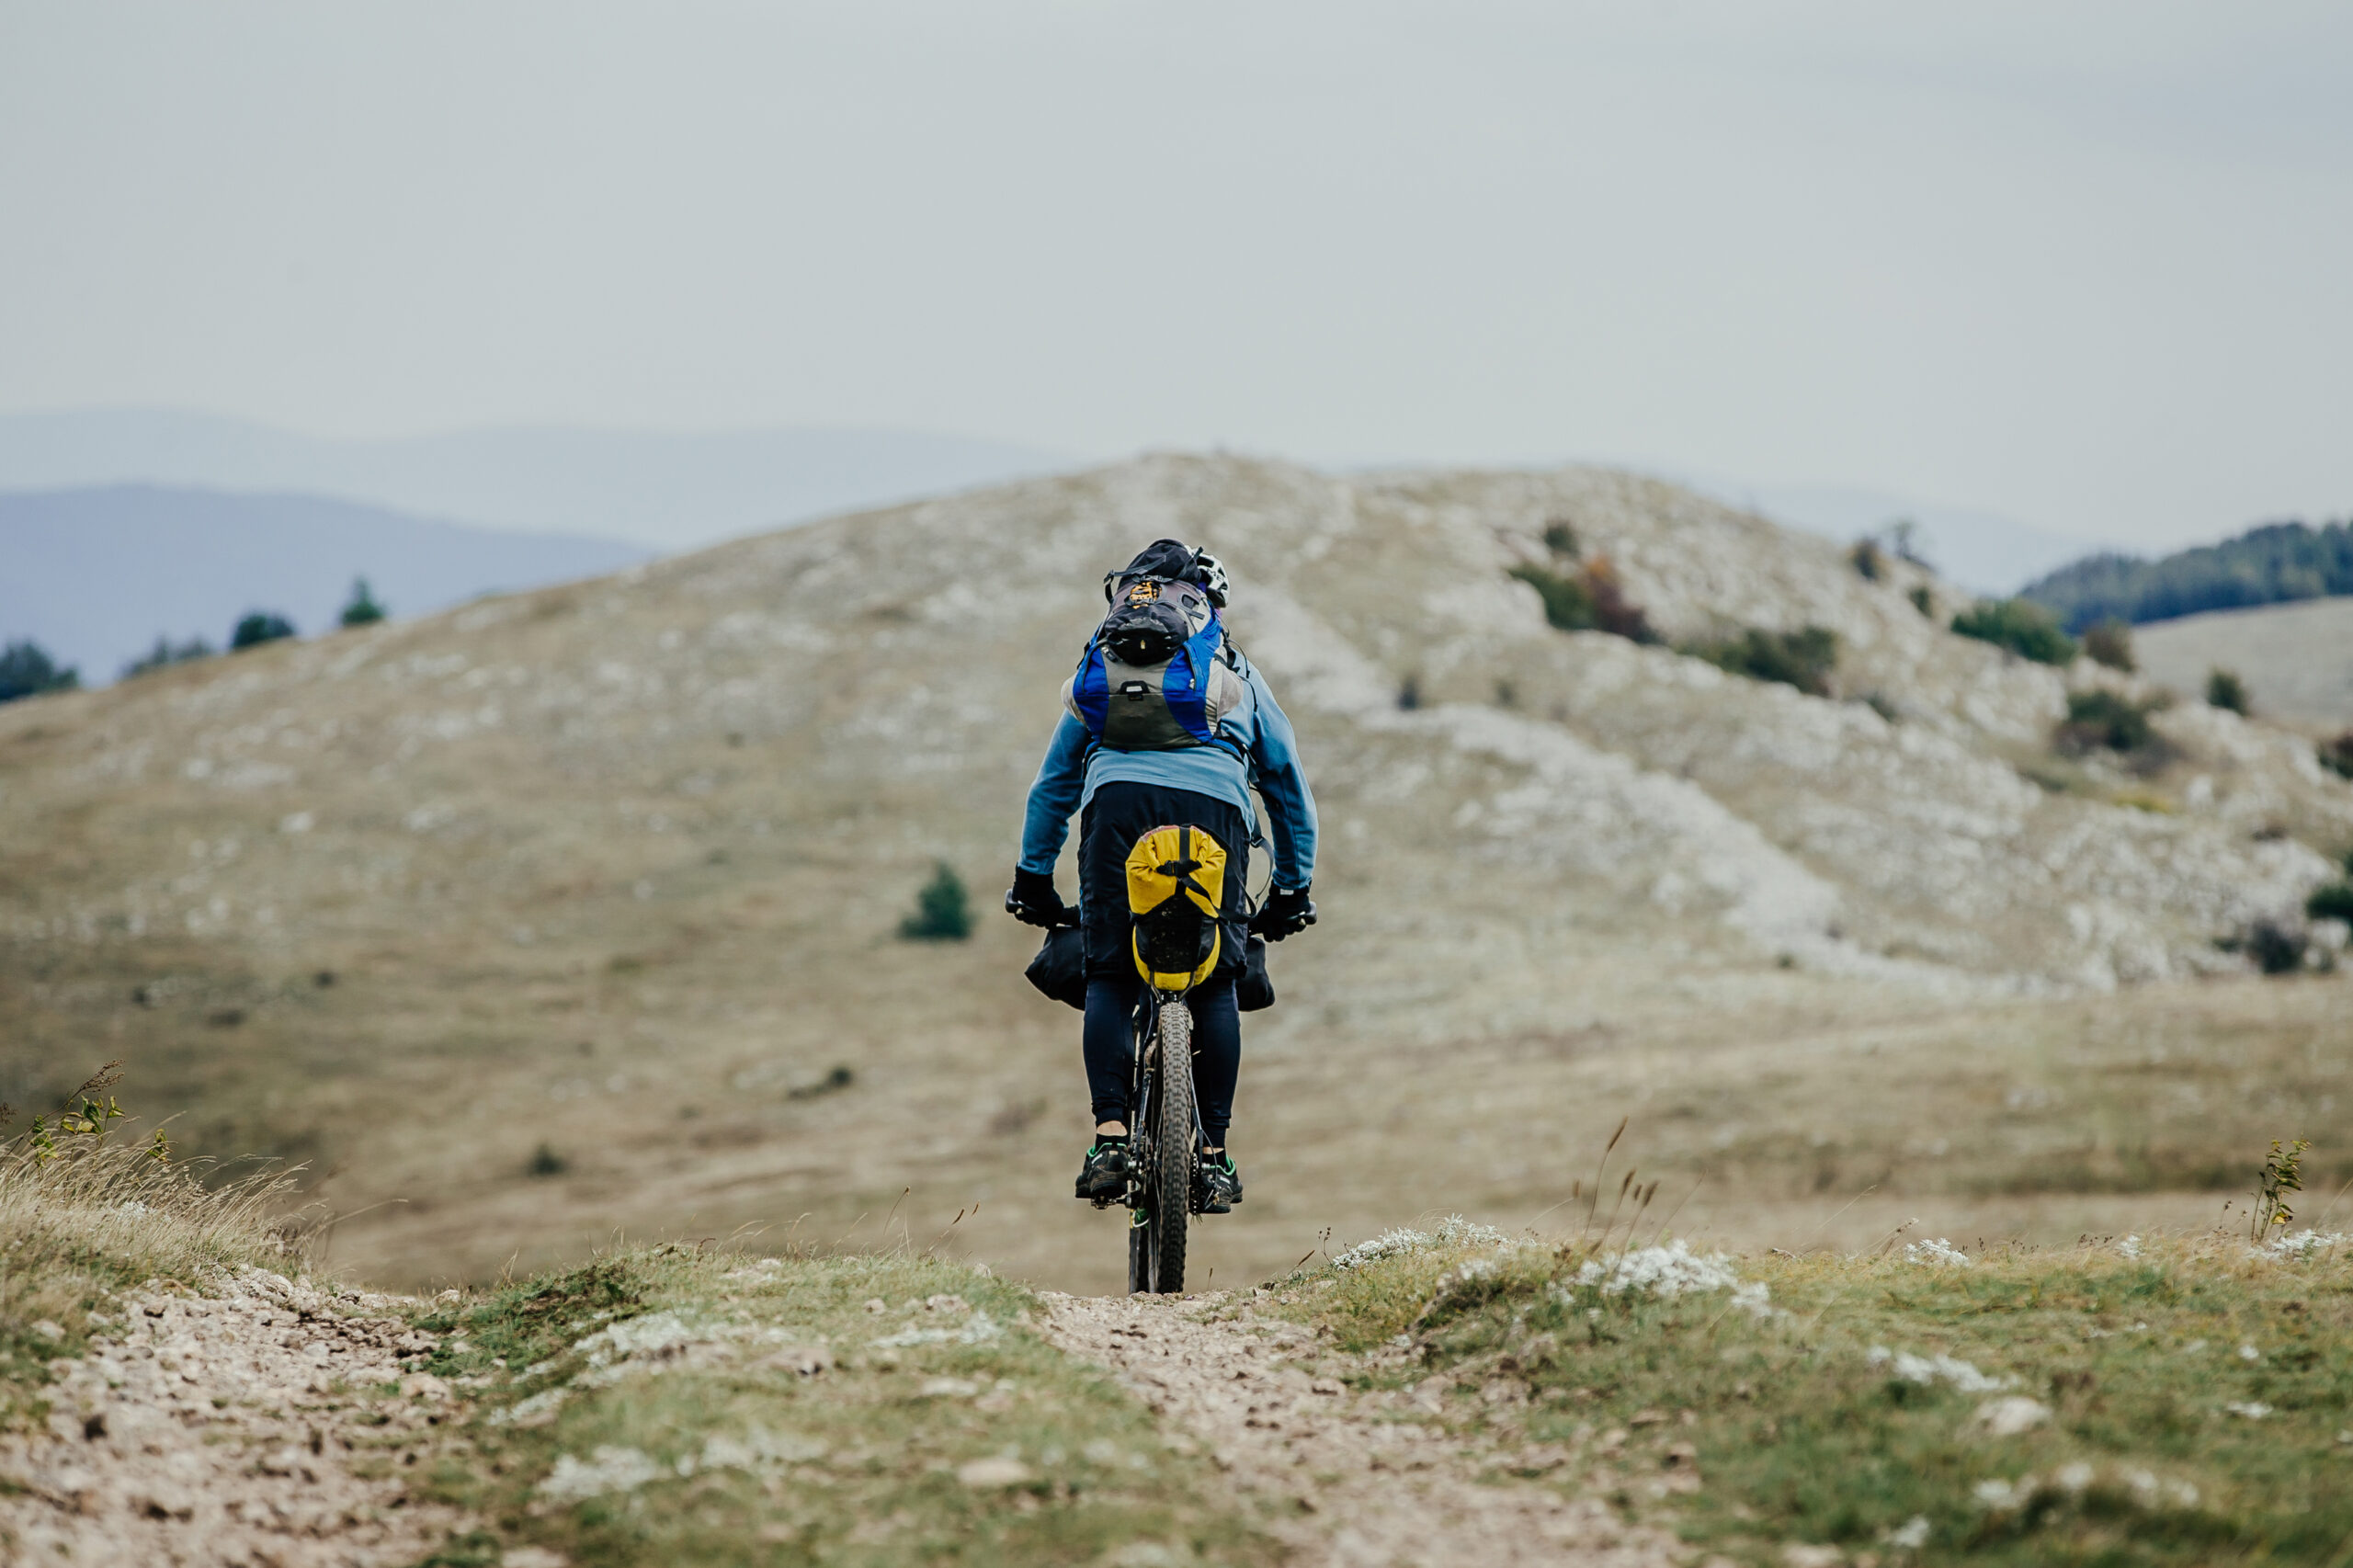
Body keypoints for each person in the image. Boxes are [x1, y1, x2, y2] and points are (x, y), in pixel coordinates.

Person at [1006, 539, 1318, 1212]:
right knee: (1216, 980)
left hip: (1116, 812)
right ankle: (1212, 1156)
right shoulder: (1233, 669)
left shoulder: (1104, 665)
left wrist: (1033, 876)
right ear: (1209, 607)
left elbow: (1054, 783)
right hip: (1217, 817)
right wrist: (1294, 885)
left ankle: (1111, 1139)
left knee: (1112, 974)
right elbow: (1286, 781)